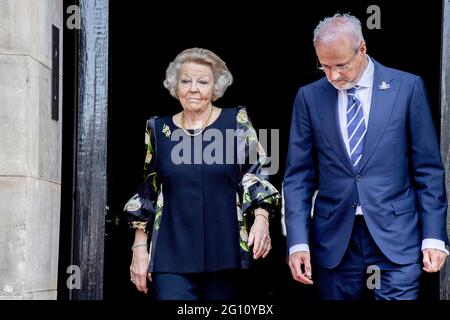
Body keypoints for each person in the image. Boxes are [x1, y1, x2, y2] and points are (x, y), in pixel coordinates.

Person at [283, 13, 448, 300]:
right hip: (334, 243)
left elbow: (428, 169)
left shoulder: (407, 87)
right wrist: (298, 243)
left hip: (396, 238)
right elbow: (298, 176)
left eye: (342, 66)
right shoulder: (308, 97)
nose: (333, 75)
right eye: (324, 66)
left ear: (362, 48)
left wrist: (434, 236)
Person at [123, 48, 279, 300]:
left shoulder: (235, 121)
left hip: (225, 252)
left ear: (215, 87)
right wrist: (139, 247)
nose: (193, 88)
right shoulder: (158, 129)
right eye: (186, 81)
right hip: (171, 255)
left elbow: (257, 172)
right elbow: (148, 189)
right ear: (175, 86)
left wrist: (261, 219)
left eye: (202, 82)